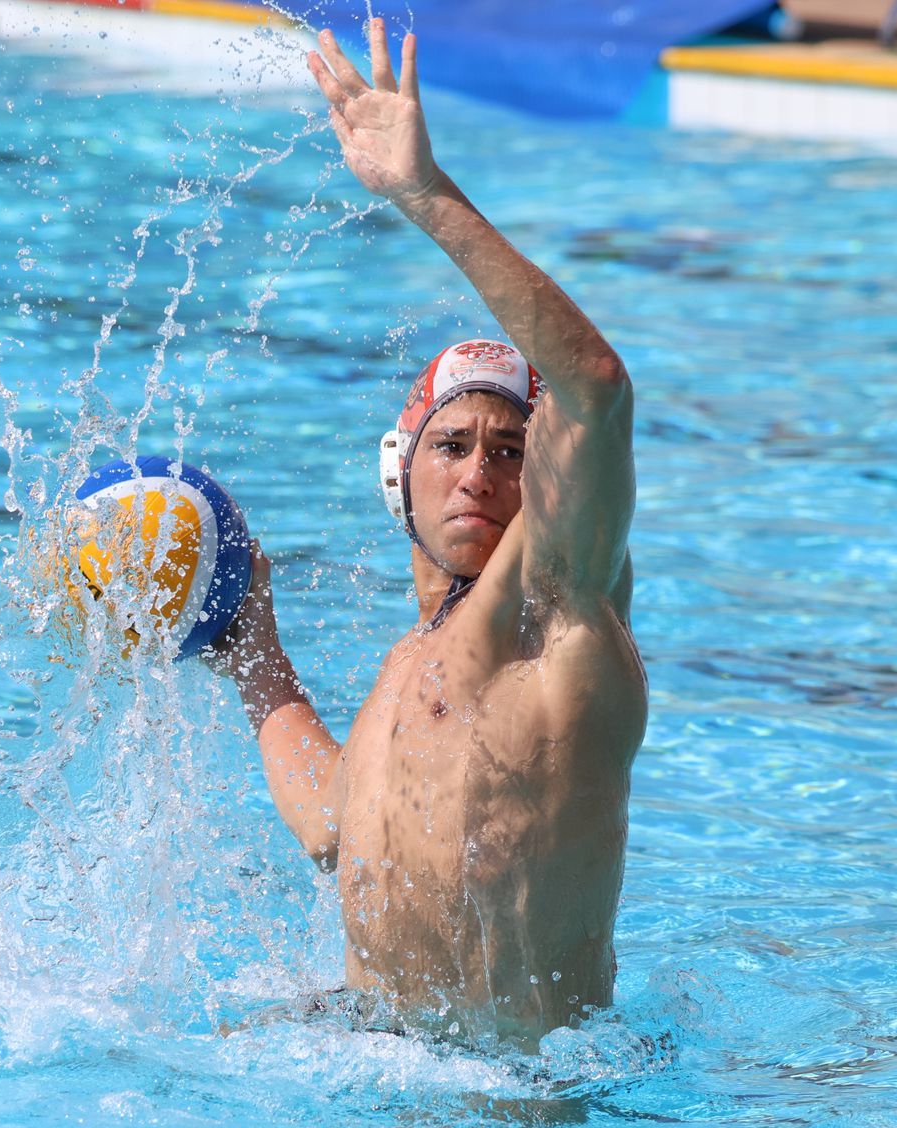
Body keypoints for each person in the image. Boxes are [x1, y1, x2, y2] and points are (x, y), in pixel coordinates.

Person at [208, 21, 645, 1047]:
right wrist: (252, 645)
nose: (482, 470)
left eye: (510, 448)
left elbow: (595, 387)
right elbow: (334, 822)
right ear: (397, 475)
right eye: (453, 444)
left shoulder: (558, 612)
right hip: (378, 1065)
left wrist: (425, 195)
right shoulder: (409, 667)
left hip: (519, 1101)